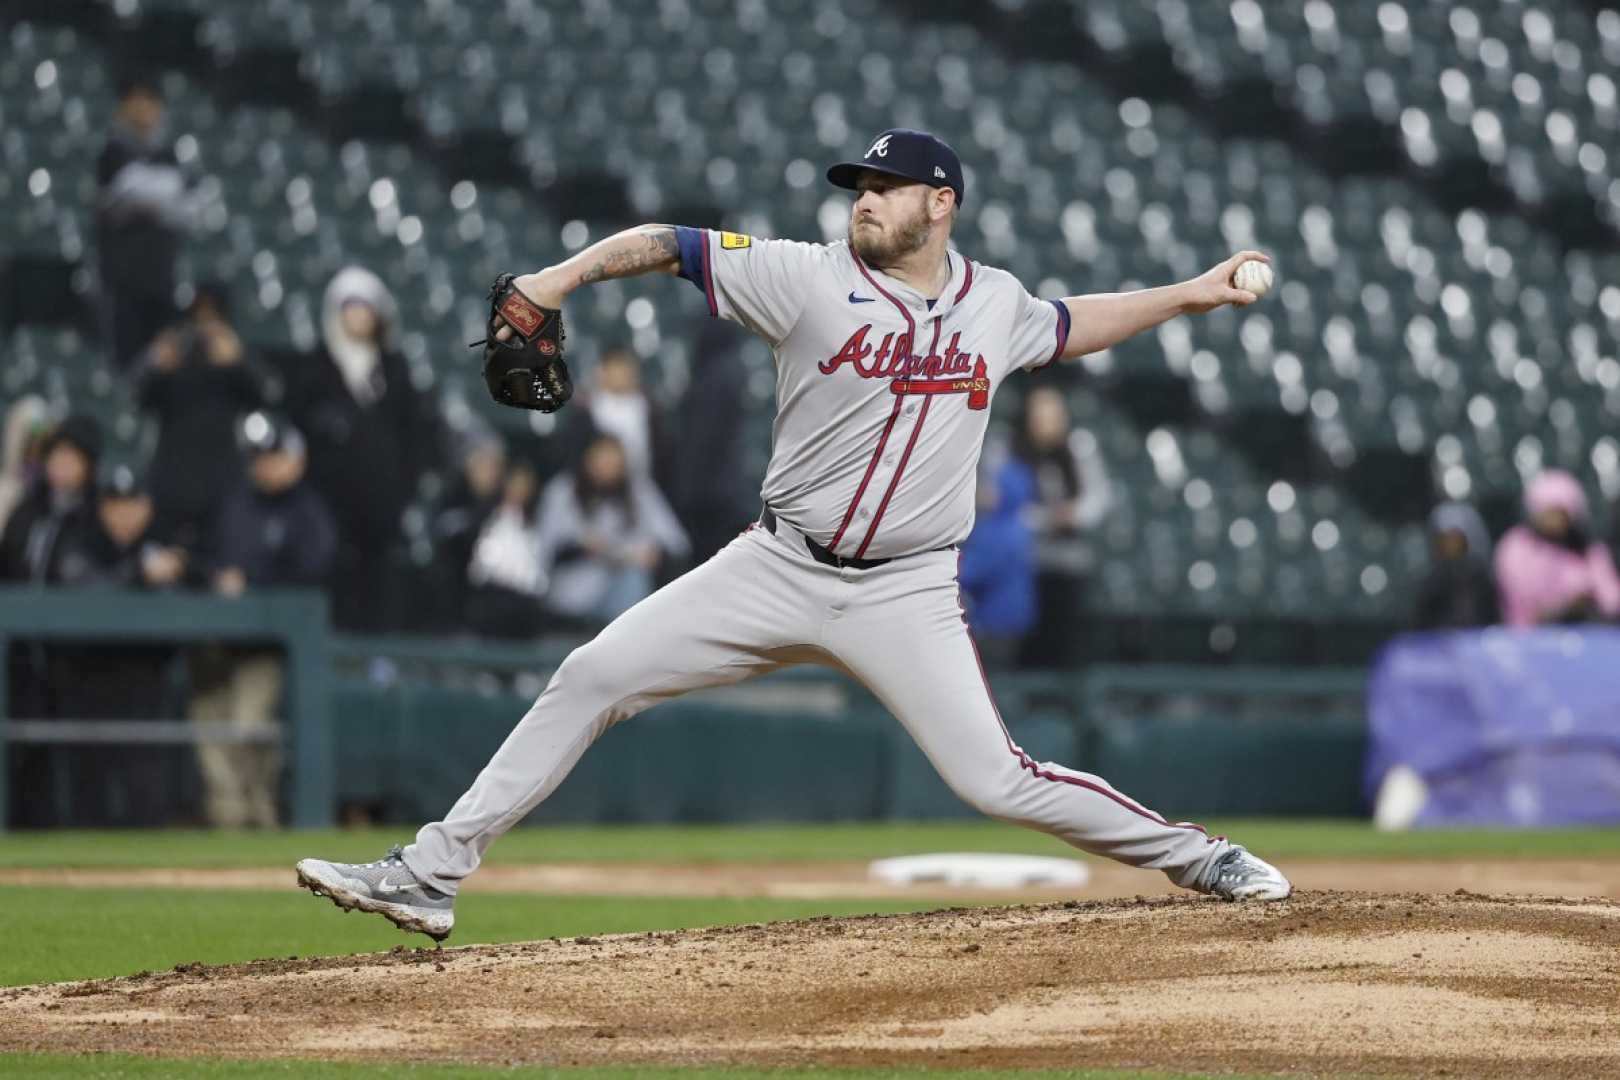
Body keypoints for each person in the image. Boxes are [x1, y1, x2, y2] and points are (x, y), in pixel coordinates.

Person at [296, 127, 1290, 941]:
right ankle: (430, 874)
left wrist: (1193, 292)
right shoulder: (802, 278)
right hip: (775, 564)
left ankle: (1201, 856)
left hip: (906, 591)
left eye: (887, 187)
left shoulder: (996, 304)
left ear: (941, 203)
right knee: (593, 674)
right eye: (859, 185)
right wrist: (552, 283)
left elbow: (1075, 321)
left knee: (996, 777)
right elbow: (666, 244)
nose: (865, 199)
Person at [190, 413, 337, 828]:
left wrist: (253, 580)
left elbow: (316, 568)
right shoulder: (234, 502)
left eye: (274, 455)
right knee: (213, 733)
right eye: (258, 457)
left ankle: (260, 817)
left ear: (296, 458)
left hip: (270, 647)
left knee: (247, 729)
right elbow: (207, 557)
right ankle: (229, 821)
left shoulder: (308, 510)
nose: (265, 464)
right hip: (220, 641)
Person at [279, 266, 441, 631]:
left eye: (366, 308)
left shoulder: (395, 371)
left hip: (383, 509)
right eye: (350, 307)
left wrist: (405, 488)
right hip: (327, 505)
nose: (358, 316)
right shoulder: (314, 369)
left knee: (380, 591)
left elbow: (415, 435)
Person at [137, 283, 266, 553]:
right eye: (199, 316)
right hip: (171, 476)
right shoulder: (173, 353)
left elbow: (262, 397)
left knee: (222, 561)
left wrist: (236, 361)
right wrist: (158, 368)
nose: (204, 325)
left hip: (221, 478)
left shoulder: (230, 355)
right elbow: (141, 399)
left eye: (212, 316)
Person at [534, 433, 690, 625]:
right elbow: (541, 555)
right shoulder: (562, 491)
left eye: (614, 461)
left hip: (623, 589)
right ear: (587, 459)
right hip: (572, 592)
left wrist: (654, 553)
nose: (608, 467)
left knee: (634, 579)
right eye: (602, 459)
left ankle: (631, 644)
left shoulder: (638, 490)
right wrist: (580, 547)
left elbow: (677, 544)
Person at [1011, 386, 1112, 667]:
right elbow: (1007, 507)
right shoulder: (1014, 449)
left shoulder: (1078, 447)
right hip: (1028, 560)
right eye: (1039, 414)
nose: (1046, 422)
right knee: (1028, 643)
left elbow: (1098, 500)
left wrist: (1072, 514)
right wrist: (1045, 518)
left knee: (1066, 640)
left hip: (1070, 560)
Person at [96, 74, 189, 370]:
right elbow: (128, 187)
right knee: (124, 362)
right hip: (122, 281)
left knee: (163, 360)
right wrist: (162, 193)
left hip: (161, 276)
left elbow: (189, 197)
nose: (145, 109)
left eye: (151, 102)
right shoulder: (113, 150)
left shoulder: (167, 152)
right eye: (137, 101)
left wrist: (153, 194)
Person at [1494, 469, 1620, 628]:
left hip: (1586, 635)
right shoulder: (1514, 548)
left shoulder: (1588, 549)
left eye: (1561, 513)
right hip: (1530, 638)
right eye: (1548, 513)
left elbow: (1611, 598)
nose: (1554, 521)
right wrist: (1561, 608)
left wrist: (1588, 604)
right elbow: (1519, 601)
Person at [959, 452, 1039, 668]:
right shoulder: (1014, 525)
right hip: (1009, 619)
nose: (987, 491)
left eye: (995, 487)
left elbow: (972, 571)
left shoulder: (1003, 530)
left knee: (995, 680)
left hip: (998, 621)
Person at [464, 460, 548, 639]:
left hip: (527, 604)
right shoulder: (488, 517)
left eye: (525, 485)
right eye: (515, 483)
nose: (520, 490)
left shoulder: (537, 522)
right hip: (492, 599)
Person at [1414, 501, 1499, 630]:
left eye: (1455, 539)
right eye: (1445, 540)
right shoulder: (1431, 584)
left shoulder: (1483, 581)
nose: (1451, 545)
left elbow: (1493, 623)